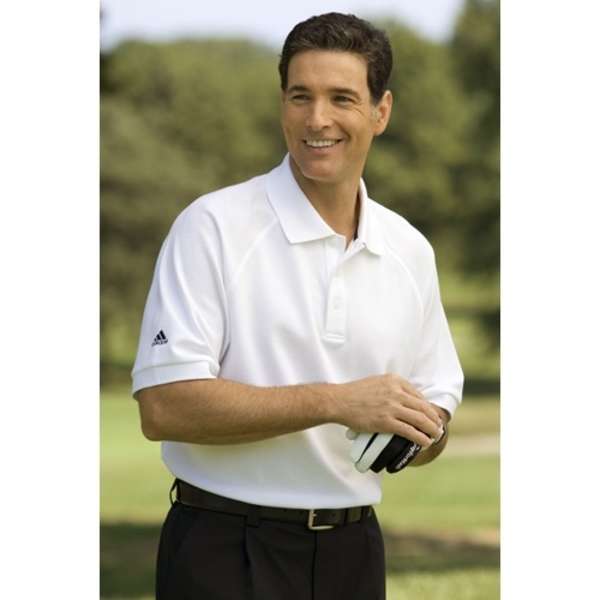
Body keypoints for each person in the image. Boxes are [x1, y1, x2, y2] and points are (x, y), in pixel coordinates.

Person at [132, 12, 463, 600]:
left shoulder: (410, 250)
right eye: (300, 96)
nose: (317, 120)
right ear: (282, 103)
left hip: (354, 552)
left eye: (342, 98)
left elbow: (434, 415)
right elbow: (164, 407)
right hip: (223, 550)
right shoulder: (212, 226)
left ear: (381, 111)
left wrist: (418, 433)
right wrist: (337, 401)